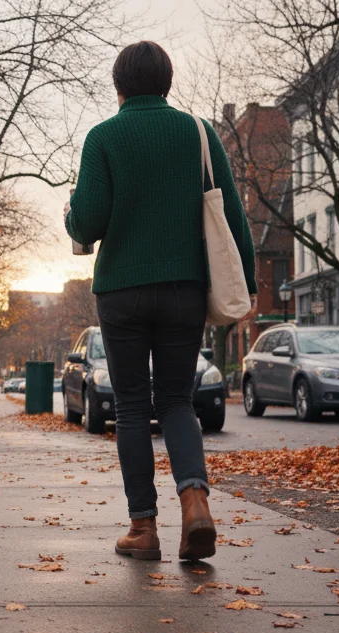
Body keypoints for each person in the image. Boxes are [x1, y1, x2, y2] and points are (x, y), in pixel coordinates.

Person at [64, 41, 256, 561]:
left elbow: (86, 221)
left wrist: (70, 216)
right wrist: (249, 279)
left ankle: (143, 529)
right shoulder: (197, 132)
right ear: (167, 82)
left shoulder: (103, 137)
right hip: (183, 289)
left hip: (121, 290)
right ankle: (195, 503)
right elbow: (230, 212)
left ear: (118, 85)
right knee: (175, 401)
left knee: (129, 407)